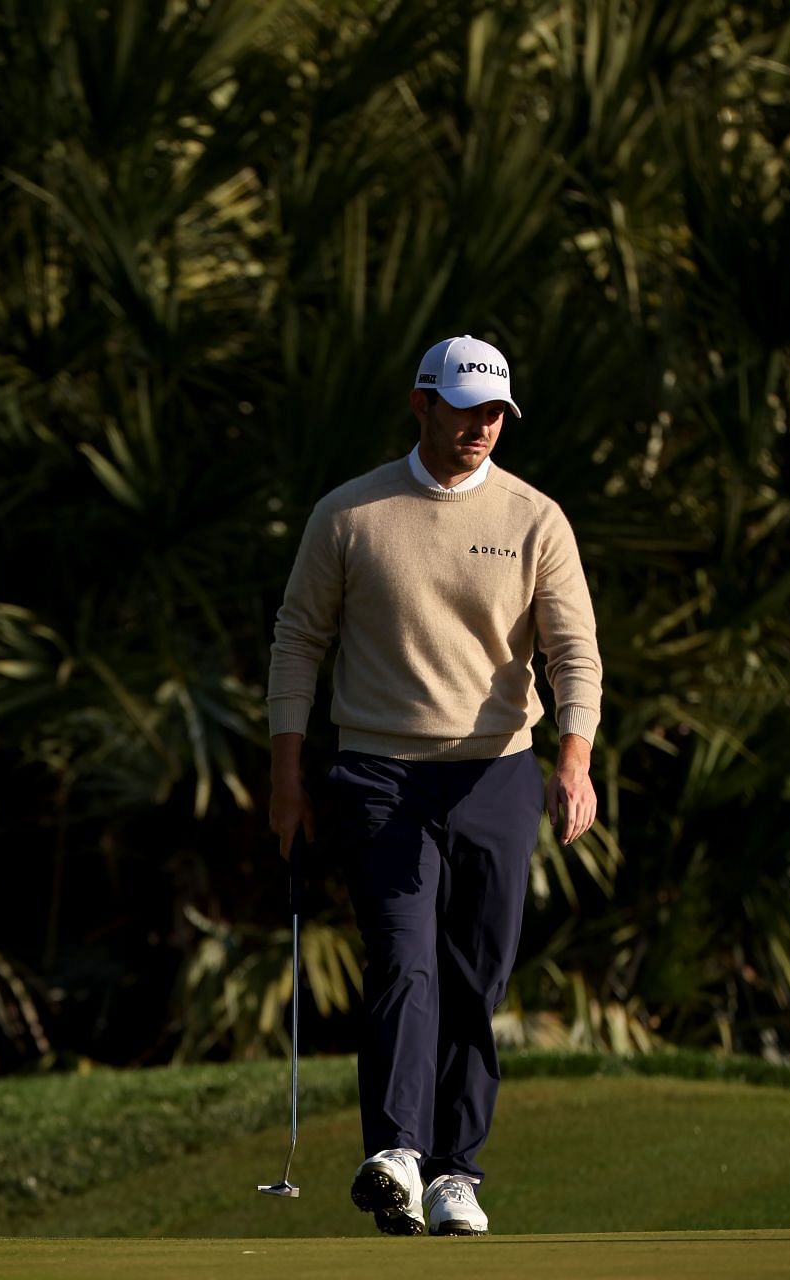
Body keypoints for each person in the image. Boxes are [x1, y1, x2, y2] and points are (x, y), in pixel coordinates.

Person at [266, 334, 603, 1237]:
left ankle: (458, 1172)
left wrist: (574, 758)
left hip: (496, 773)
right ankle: (398, 1156)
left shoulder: (536, 519)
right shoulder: (351, 515)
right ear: (422, 403)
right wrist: (287, 773)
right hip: (379, 772)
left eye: (495, 412)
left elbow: (574, 652)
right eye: (465, 408)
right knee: (402, 961)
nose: (482, 427)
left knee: (474, 976)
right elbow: (299, 640)